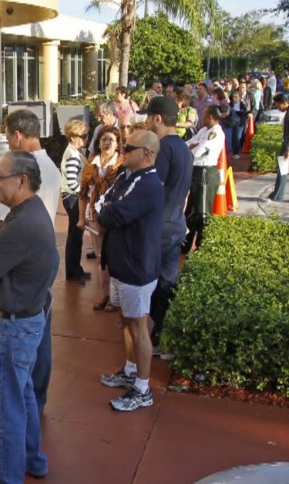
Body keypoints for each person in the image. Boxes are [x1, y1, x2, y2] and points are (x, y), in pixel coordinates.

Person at [0, 150, 58, 483]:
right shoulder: (30, 213)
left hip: (10, 329)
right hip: (23, 324)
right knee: (22, 396)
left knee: (4, 411)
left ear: (22, 180)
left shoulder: (23, 225)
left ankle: (5, 477)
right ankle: (33, 460)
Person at [95, 130, 164, 412]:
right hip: (121, 264)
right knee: (126, 321)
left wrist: (107, 210)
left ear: (146, 153)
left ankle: (143, 388)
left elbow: (115, 213)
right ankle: (131, 369)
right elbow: (104, 201)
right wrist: (107, 209)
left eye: (129, 148)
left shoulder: (148, 185)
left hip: (137, 267)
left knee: (138, 326)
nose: (123, 152)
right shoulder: (126, 177)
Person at [2, 109, 61, 414]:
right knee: (39, 329)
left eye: (7, 138)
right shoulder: (50, 166)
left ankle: (19, 405)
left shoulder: (26, 168)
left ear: (18, 135)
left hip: (24, 259)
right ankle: (34, 401)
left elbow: (7, 222)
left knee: (21, 334)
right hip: (43, 255)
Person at [142, 97, 194, 358]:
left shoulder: (163, 149)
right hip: (175, 224)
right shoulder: (184, 148)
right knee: (167, 282)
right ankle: (164, 336)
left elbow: (153, 188)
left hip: (159, 227)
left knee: (151, 284)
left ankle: (158, 336)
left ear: (158, 118)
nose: (146, 122)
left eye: (148, 117)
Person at [79, 127, 124, 313]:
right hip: (94, 216)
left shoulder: (122, 166)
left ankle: (116, 298)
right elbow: (82, 194)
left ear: (118, 145)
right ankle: (105, 294)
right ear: (98, 143)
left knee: (115, 257)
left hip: (115, 217)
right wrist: (81, 219)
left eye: (111, 140)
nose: (107, 143)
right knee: (100, 258)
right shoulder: (91, 165)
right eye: (103, 139)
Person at [183, 106, 224, 254]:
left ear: (210, 117)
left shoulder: (215, 133)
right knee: (191, 211)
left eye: (204, 114)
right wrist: (192, 146)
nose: (201, 117)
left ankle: (202, 248)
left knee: (203, 213)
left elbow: (199, 151)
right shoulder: (203, 131)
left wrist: (193, 147)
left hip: (205, 173)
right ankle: (185, 245)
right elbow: (188, 144)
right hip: (195, 171)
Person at [60, 120, 90, 284]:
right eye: (83, 136)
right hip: (73, 198)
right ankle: (73, 272)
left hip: (72, 197)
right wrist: (85, 194)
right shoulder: (73, 155)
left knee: (75, 235)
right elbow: (72, 182)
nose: (85, 139)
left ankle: (75, 269)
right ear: (73, 137)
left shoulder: (74, 152)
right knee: (75, 235)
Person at [265, 94, 289, 202]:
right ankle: (277, 194)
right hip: (285, 144)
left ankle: (277, 195)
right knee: (282, 170)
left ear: (284, 103)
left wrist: (288, 149)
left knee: (282, 170)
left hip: (287, 146)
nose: (278, 108)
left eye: (278, 105)